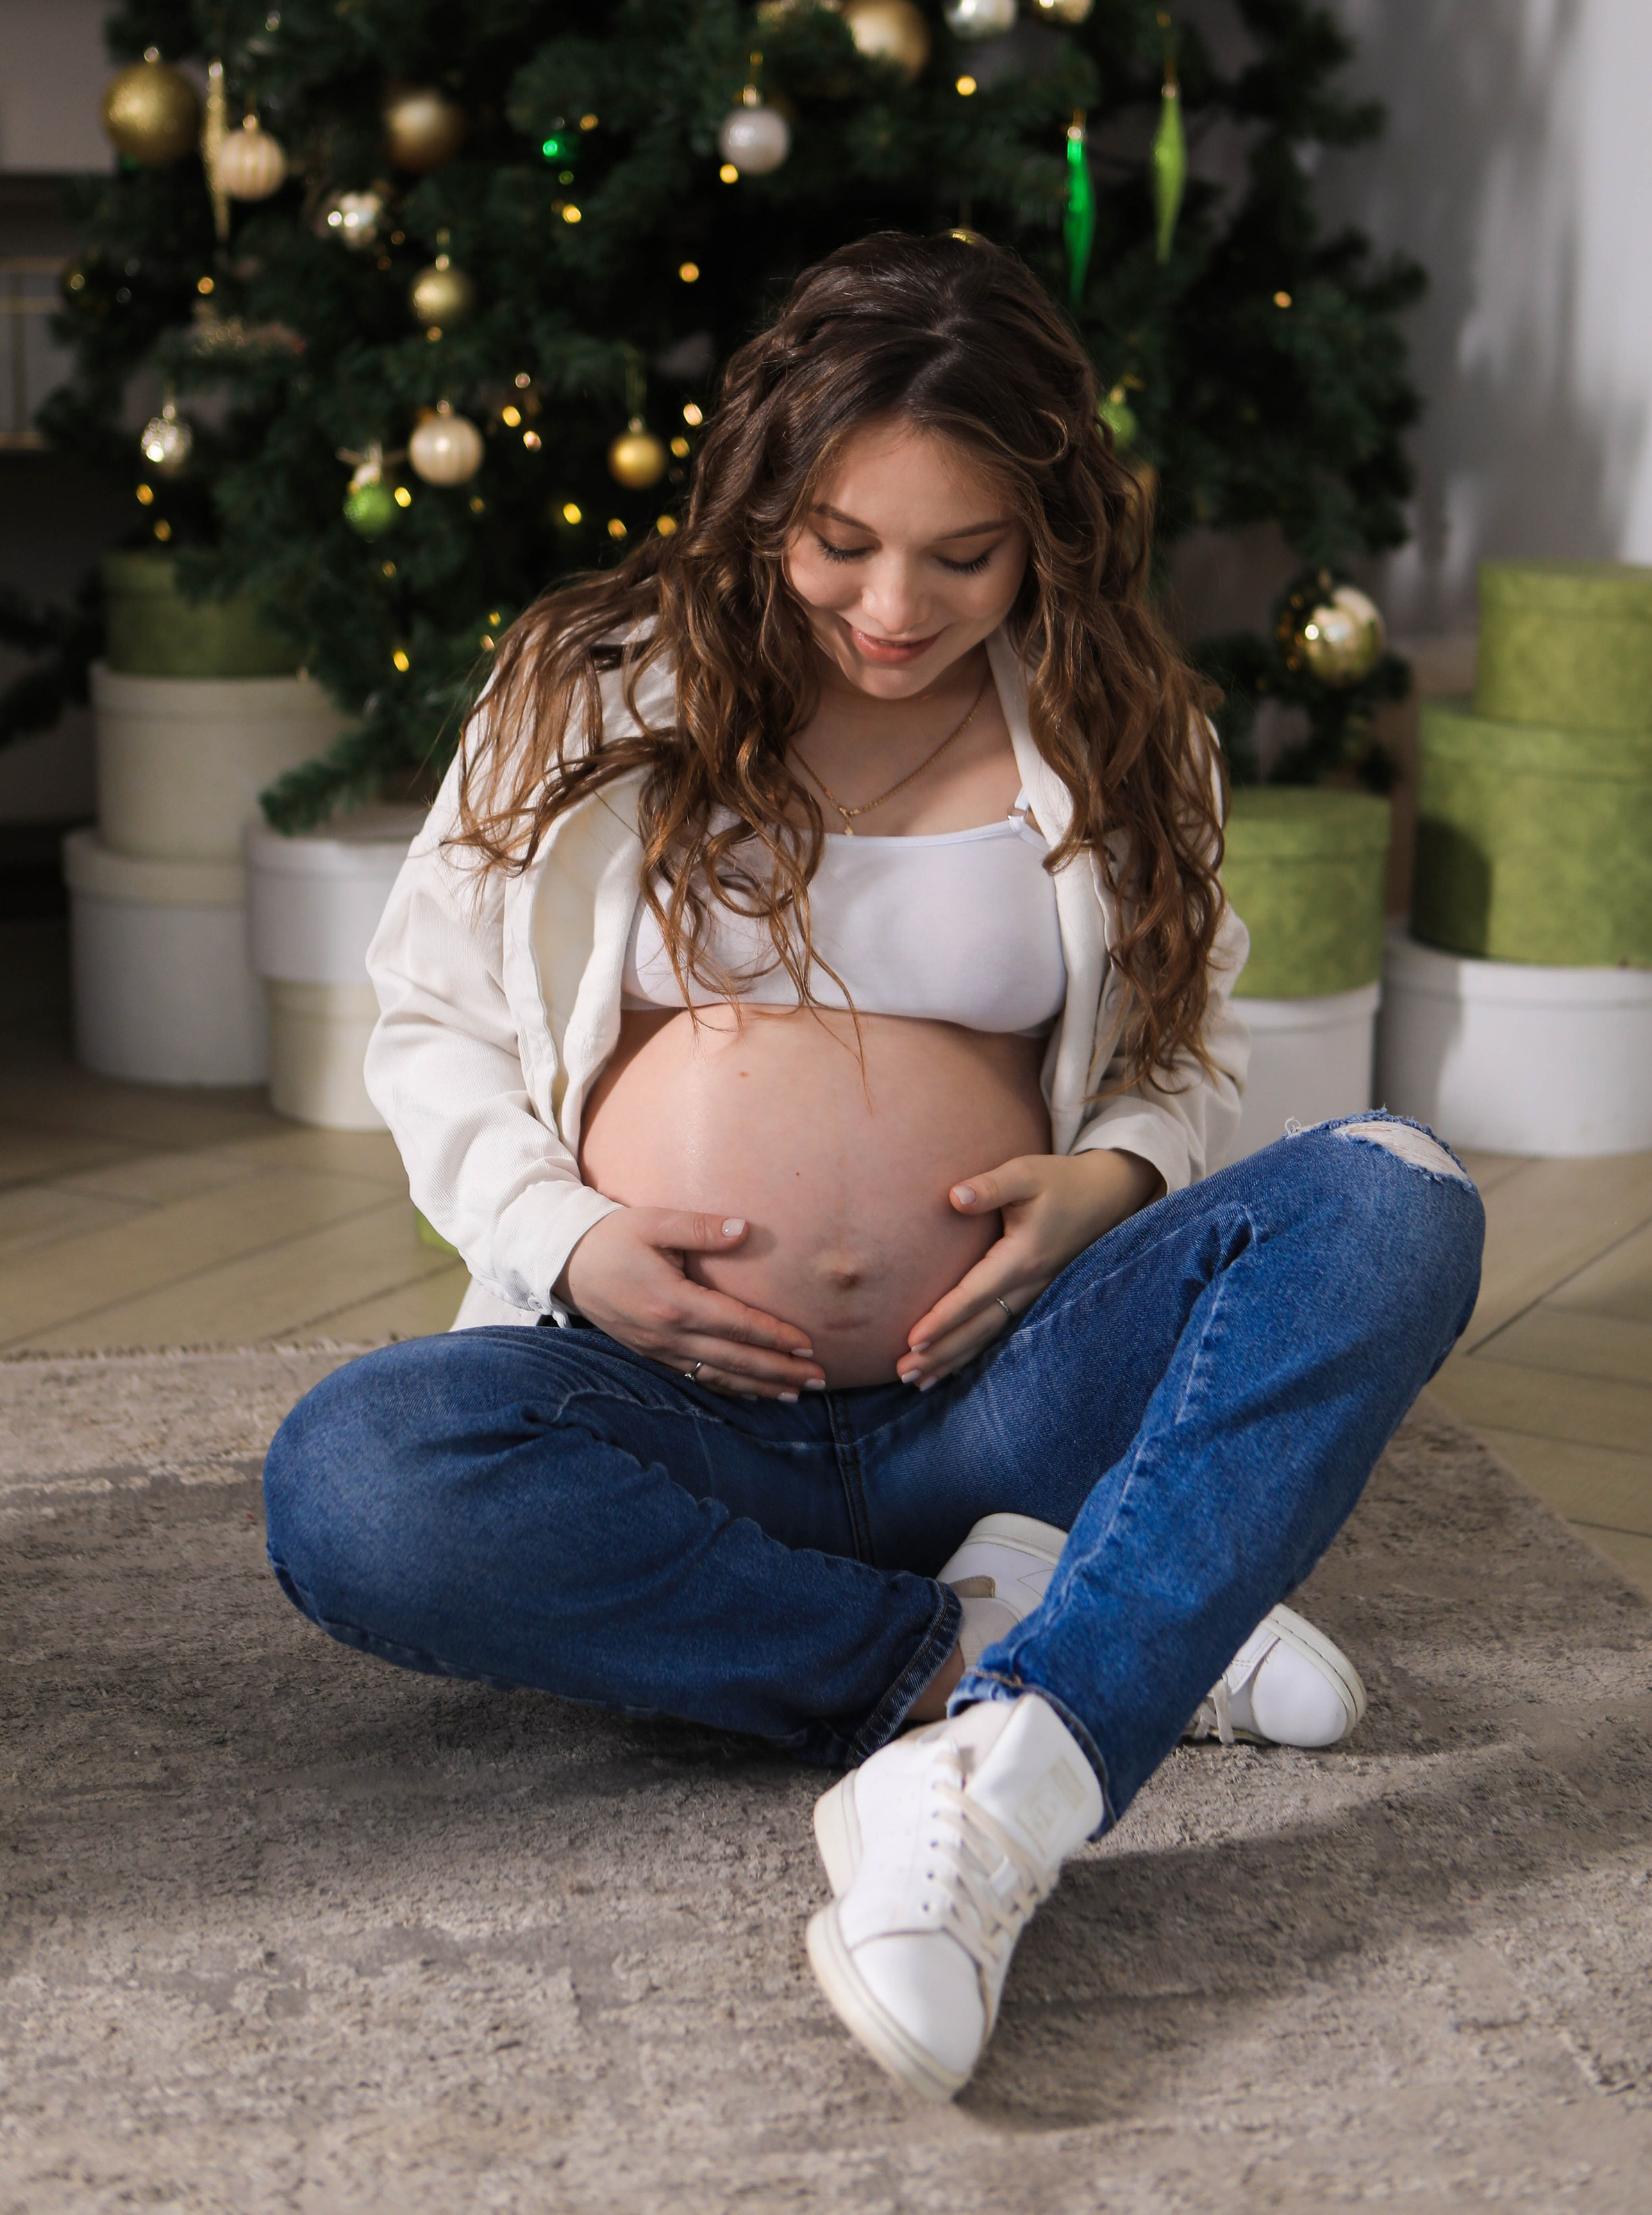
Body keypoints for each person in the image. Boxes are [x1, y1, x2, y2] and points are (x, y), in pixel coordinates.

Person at [262, 233, 1483, 2103]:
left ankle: (1021, 1769)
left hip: (998, 1392)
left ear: (1048, 535)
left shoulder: (1120, 733)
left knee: (1397, 1196)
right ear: (762, 498)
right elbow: (424, 1019)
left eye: (962, 555)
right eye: (840, 543)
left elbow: (1188, 1040)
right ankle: (1001, 1637)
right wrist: (570, 1240)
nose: (895, 608)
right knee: (355, 1482)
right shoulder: (594, 684)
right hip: (658, 1403)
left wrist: (1122, 1178)